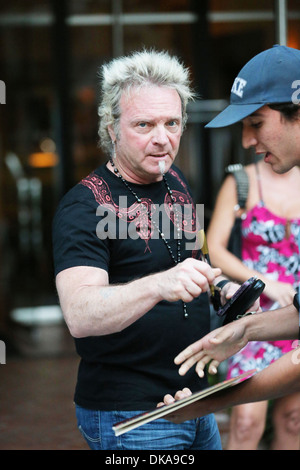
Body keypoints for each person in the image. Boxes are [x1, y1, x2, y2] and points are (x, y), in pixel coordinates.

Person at [52, 49, 241, 451]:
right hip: (132, 414)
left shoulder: (175, 179)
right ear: (112, 127)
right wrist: (160, 285)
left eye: (172, 123)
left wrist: (223, 288)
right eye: (144, 124)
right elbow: (80, 315)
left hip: (194, 401)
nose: (162, 137)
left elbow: (194, 261)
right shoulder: (84, 206)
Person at [161, 45, 300, 442]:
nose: (246, 141)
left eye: (256, 123)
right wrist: (246, 331)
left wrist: (207, 402)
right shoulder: (244, 182)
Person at [206, 157, 300, 450]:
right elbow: (214, 249)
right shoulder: (242, 182)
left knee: (293, 419)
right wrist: (267, 282)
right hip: (255, 316)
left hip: (296, 318)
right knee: (247, 421)